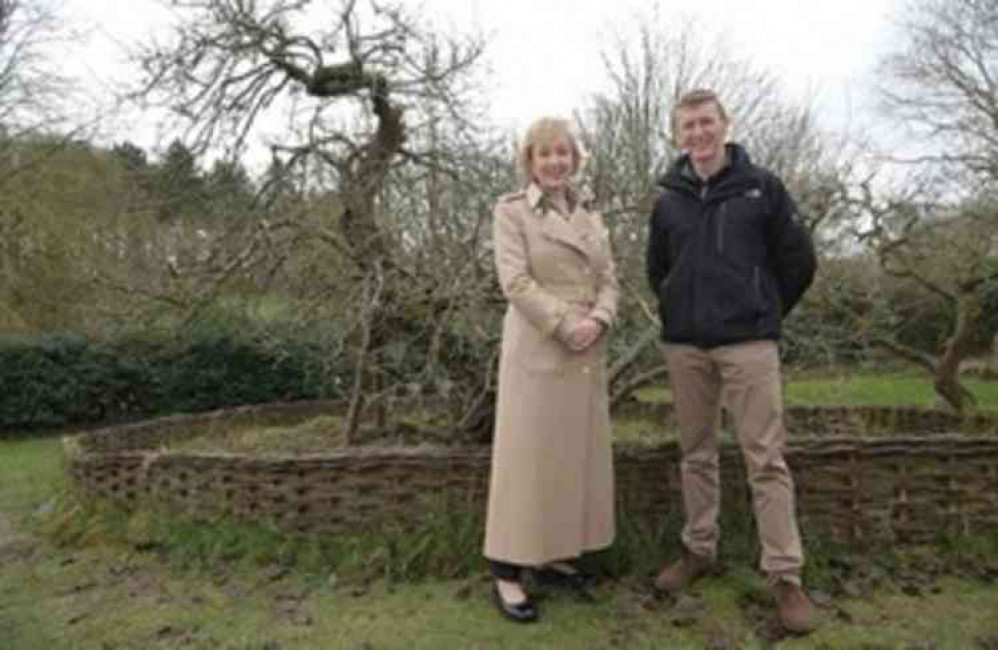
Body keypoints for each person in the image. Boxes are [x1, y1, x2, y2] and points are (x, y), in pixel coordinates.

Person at [645, 89, 818, 633]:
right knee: (696, 454)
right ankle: (699, 549)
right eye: (687, 125)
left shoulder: (761, 188)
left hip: (749, 345)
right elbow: (658, 271)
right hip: (686, 347)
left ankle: (786, 577)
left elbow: (799, 262)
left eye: (706, 122)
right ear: (678, 135)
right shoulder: (667, 199)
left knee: (765, 459)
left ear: (725, 125)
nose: (698, 133)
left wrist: (762, 312)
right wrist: (680, 311)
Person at [483, 117, 619, 623]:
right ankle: (506, 571)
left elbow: (609, 278)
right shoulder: (511, 211)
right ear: (530, 161)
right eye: (546, 154)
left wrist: (600, 318)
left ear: (575, 158)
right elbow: (514, 282)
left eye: (564, 152)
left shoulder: (589, 214)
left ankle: (555, 553)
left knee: (570, 461)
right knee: (527, 462)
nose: (556, 161)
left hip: (586, 351)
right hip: (539, 349)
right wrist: (567, 324)